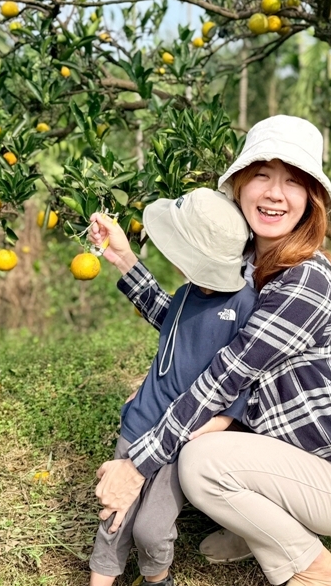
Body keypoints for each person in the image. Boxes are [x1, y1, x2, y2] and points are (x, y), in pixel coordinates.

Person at [90, 115, 331, 586]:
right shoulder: (246, 258)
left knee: (200, 464)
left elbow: (224, 377)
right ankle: (260, 528)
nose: (275, 193)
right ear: (239, 185)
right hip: (292, 452)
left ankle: (316, 569)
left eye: (293, 181)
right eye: (262, 175)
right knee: (204, 445)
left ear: (311, 199)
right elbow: (194, 329)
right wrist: (124, 260)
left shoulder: (306, 280)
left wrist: (136, 466)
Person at [88, 188, 258, 586]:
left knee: (151, 530)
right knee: (113, 520)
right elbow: (172, 328)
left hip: (185, 439)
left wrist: (211, 427)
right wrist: (121, 257)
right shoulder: (187, 294)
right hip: (141, 422)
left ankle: (157, 579)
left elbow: (242, 388)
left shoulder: (244, 307)